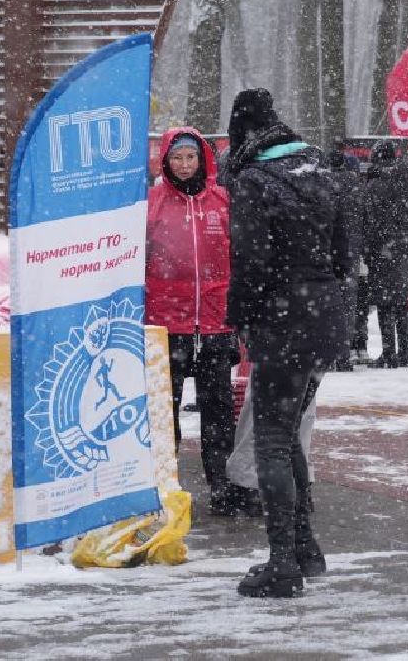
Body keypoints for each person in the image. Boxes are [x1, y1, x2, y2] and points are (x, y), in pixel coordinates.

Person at [224, 89, 352, 598]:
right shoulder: (321, 170)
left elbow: (249, 263)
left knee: (272, 440)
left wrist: (242, 320)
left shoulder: (256, 181)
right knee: (290, 427)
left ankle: (283, 563)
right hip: (322, 318)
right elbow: (346, 256)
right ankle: (304, 548)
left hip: (282, 319)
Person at [144, 127, 255, 517]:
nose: (185, 165)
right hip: (166, 325)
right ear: (166, 161)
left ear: (203, 159)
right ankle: (163, 485)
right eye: (177, 158)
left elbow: (240, 255)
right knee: (163, 412)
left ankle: (221, 487)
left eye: (191, 157)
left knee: (217, 413)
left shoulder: (221, 201)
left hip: (214, 324)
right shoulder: (152, 203)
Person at [360, 141, 408, 367]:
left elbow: (370, 223)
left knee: (384, 303)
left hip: (382, 251)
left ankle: (389, 352)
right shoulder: (407, 182)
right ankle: (405, 353)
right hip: (404, 250)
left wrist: (369, 250)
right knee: (401, 302)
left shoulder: (374, 185)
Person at [324, 149, 364, 372]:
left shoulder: (324, 185)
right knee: (349, 304)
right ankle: (345, 355)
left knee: (330, 304)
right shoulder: (357, 187)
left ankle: (331, 355)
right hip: (352, 250)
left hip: (330, 251)